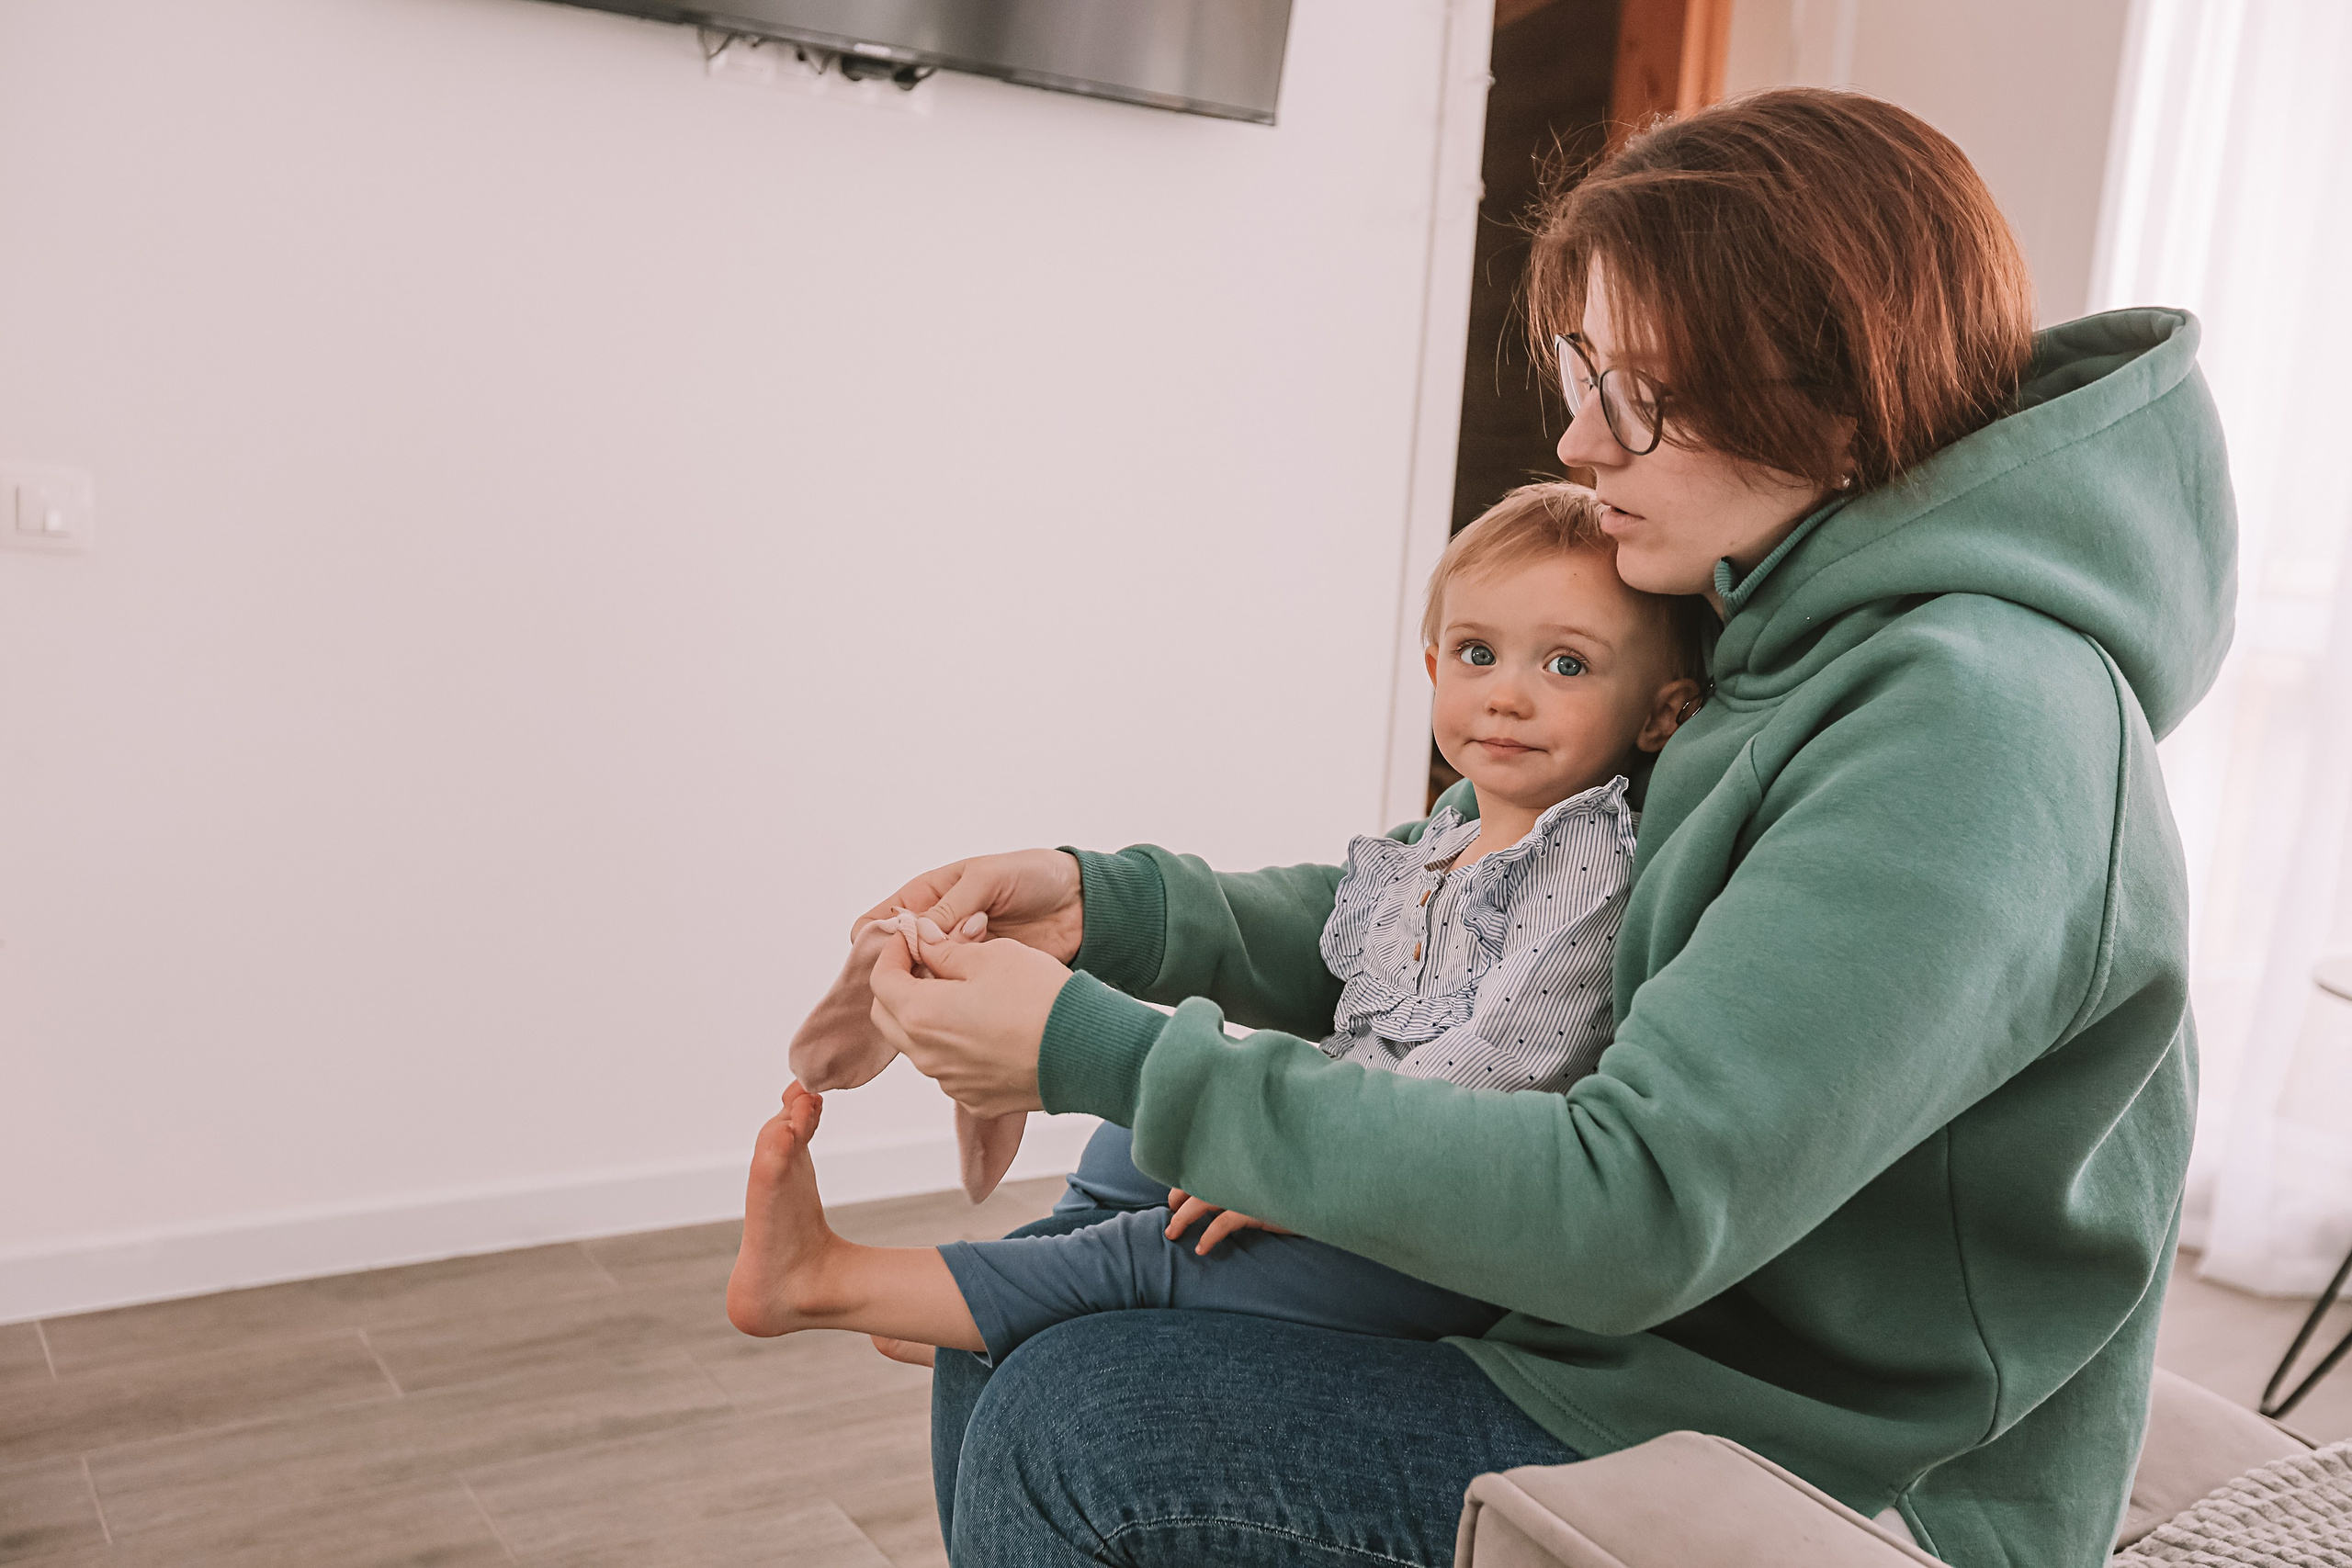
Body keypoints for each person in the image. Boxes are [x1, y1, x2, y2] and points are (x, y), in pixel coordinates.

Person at [854, 88, 2235, 1568]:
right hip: (1628, 1347)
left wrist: (1094, 1042)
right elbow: (1495, 902)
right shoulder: (1760, 616)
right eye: (1586, 371)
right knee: (1021, 1310)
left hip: (1838, 1460)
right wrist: (1115, 910)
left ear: (1833, 390)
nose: (1579, 437)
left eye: (1637, 391)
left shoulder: (1978, 722)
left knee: (1081, 1419)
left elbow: (1633, 1204)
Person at [725, 483, 1710, 1363]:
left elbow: (1501, 1062)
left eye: (1567, 666)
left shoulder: (1585, 865)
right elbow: (1352, 993)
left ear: (1660, 714)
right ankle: (986, 1296)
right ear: (1431, 664)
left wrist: (1289, 1168)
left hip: (1435, 1233)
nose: (1505, 693)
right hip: (1359, 1148)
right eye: (1477, 653)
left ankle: (826, 1281)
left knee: (1166, 1263)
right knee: (1121, 1155)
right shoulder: (1452, 834)